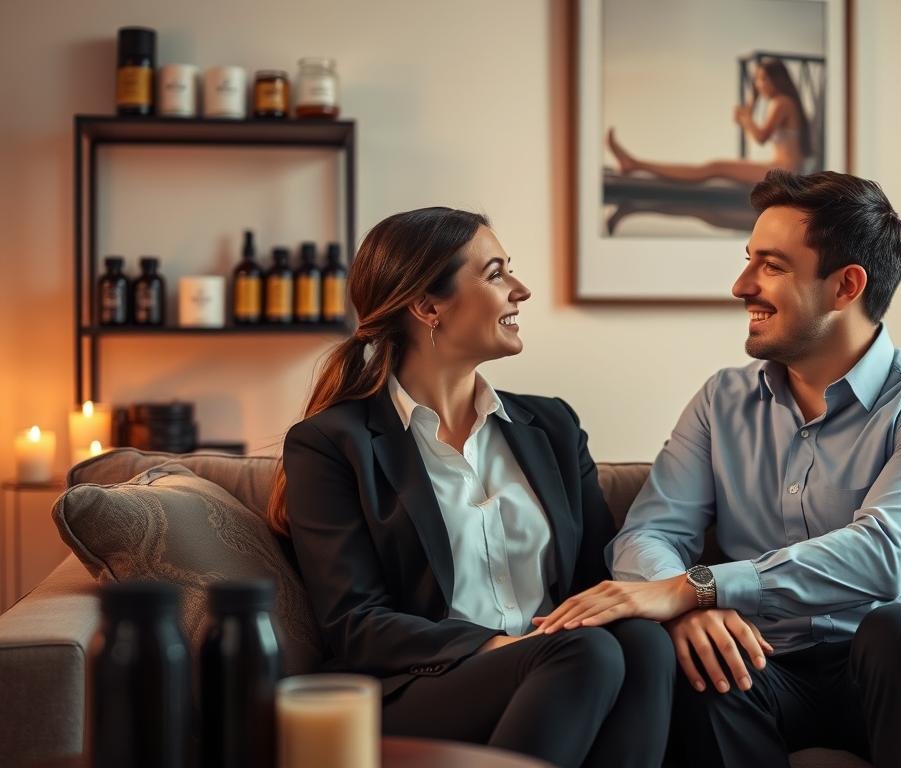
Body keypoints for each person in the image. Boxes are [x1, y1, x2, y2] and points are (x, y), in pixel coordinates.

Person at [533, 171, 901, 767]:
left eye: (772, 266)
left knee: (896, 631)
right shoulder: (721, 401)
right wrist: (690, 613)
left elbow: (882, 556)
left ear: (845, 286)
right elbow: (649, 532)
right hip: (769, 663)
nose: (740, 285)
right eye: (748, 260)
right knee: (705, 670)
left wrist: (697, 587)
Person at [269, 206, 674, 768]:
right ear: (427, 306)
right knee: (585, 653)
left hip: (567, 664)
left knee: (644, 643)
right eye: (495, 273)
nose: (521, 290)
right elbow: (356, 622)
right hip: (419, 685)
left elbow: (596, 582)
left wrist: (687, 602)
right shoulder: (333, 443)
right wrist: (505, 648)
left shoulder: (552, 427)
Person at [606, 58, 811, 185]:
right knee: (713, 167)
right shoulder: (784, 102)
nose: (759, 85)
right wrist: (745, 121)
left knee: (713, 168)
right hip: (780, 168)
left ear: (777, 79)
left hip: (785, 172)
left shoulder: (781, 102)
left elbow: (761, 138)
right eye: (758, 79)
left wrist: (746, 120)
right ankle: (636, 164)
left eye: (763, 79)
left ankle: (636, 164)